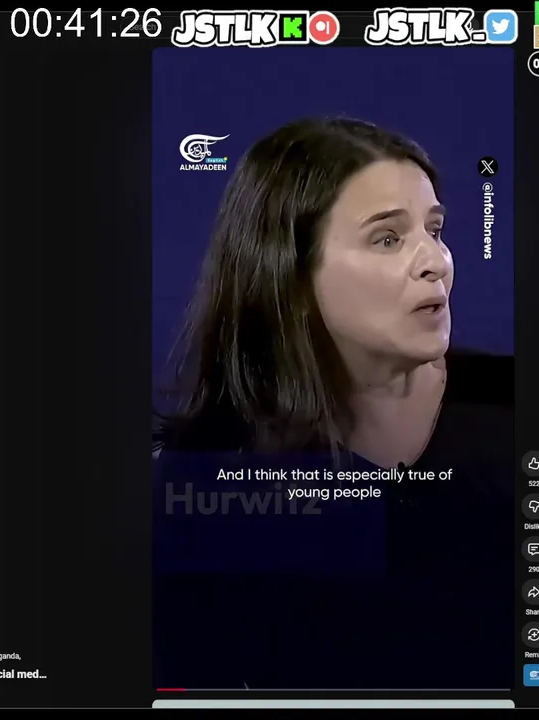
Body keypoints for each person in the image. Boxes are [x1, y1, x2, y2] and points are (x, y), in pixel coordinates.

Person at [152, 117, 514, 690]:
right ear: (290, 272)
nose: (436, 262)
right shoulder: (208, 471)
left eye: (435, 230)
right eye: (388, 238)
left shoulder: (508, 410)